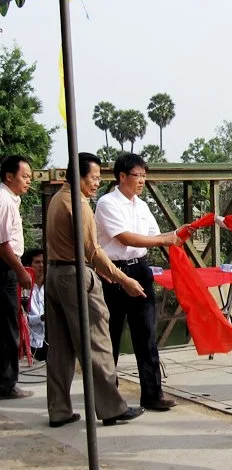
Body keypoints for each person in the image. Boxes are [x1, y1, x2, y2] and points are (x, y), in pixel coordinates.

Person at [45, 152, 147, 428]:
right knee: (98, 341)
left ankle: (59, 409)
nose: (97, 183)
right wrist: (122, 278)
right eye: (94, 178)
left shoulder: (57, 199)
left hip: (54, 274)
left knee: (60, 348)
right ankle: (111, 407)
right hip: (75, 275)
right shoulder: (79, 205)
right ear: (78, 177)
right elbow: (93, 250)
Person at [94, 152, 180, 411]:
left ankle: (152, 393)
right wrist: (165, 240)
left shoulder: (141, 206)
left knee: (146, 333)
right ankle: (109, 394)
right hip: (114, 273)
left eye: (144, 175)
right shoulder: (107, 203)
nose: (142, 180)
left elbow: (155, 235)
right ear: (122, 176)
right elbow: (125, 238)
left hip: (140, 270)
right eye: (137, 175)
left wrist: (179, 233)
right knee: (111, 335)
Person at [0, 155, 33, 400]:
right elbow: (2, 244)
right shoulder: (4, 201)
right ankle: (6, 382)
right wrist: (21, 271)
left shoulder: (12, 200)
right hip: (4, 269)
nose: (28, 181)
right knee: (7, 327)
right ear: (9, 176)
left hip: (8, 267)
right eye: (24, 176)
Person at [21, 248, 46, 362]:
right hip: (29, 343)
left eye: (43, 262)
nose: (41, 265)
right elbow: (22, 318)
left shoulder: (51, 286)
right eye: (37, 262)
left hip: (48, 341)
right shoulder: (23, 289)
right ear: (29, 265)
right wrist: (41, 318)